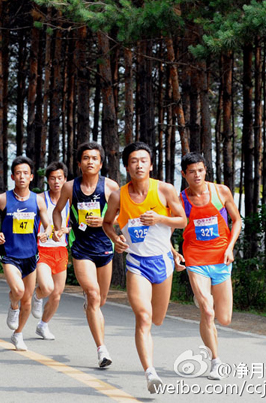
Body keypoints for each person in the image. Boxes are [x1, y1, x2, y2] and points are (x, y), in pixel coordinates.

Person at [103, 142, 187, 394]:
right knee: (143, 316)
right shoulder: (119, 195)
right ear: (127, 166)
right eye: (133, 161)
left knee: (157, 319)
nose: (139, 165)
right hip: (137, 264)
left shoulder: (164, 189)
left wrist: (160, 218)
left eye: (143, 160)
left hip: (162, 261)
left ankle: (150, 365)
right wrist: (116, 239)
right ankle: (150, 372)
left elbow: (182, 221)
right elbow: (108, 224)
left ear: (150, 165)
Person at [53, 142, 119, 367]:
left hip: (105, 247)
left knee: (100, 300)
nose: (90, 161)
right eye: (85, 158)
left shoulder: (110, 186)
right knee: (92, 294)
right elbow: (57, 211)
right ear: (79, 163)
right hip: (81, 248)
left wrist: (106, 221)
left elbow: (123, 214)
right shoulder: (70, 187)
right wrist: (59, 229)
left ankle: (90, 307)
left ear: (101, 163)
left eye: (94, 158)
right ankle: (102, 350)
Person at [180, 153, 241, 380]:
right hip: (195, 259)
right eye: (192, 171)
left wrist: (230, 247)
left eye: (201, 170)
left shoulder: (220, 191)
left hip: (221, 258)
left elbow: (237, 220)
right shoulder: (181, 199)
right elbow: (167, 226)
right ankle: (215, 361)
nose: (197, 175)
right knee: (207, 311)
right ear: (184, 174)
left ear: (206, 170)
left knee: (224, 318)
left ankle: (202, 297)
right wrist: (174, 253)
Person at [0, 156, 49, 351]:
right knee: (19, 292)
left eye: (26, 173)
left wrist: (46, 232)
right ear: (13, 176)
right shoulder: (3, 199)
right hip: (10, 254)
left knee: (28, 301)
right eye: (18, 173)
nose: (22, 177)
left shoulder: (37, 200)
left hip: (30, 255)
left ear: (31, 177)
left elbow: (47, 222)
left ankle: (18, 334)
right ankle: (13, 306)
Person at [31, 161, 70, 341]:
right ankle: (37, 295)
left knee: (57, 295)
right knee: (47, 287)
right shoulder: (40, 199)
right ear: (47, 180)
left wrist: (67, 230)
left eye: (59, 178)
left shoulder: (70, 199)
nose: (56, 182)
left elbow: (77, 224)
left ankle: (43, 325)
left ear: (65, 179)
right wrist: (41, 234)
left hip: (61, 249)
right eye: (52, 178)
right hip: (42, 249)